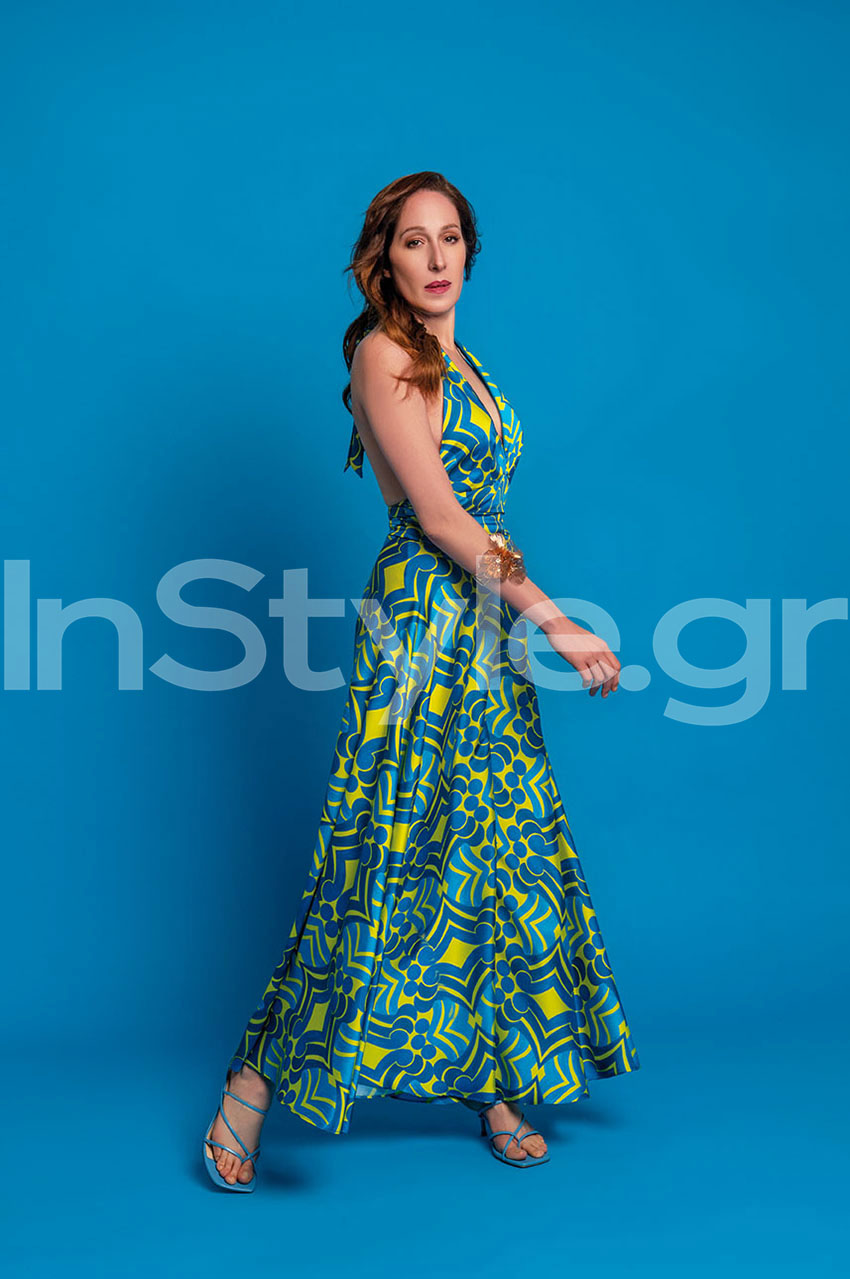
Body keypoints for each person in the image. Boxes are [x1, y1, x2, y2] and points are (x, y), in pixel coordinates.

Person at [202, 170, 640, 1190]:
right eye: (414, 240)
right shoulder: (382, 351)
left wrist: (515, 616)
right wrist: (557, 619)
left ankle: (491, 1079)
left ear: (469, 251)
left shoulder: (463, 360)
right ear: (384, 259)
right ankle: (251, 1084)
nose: (437, 259)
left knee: (492, 848)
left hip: (483, 623)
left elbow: (480, 518)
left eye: (451, 238)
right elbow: (441, 518)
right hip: (421, 624)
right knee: (385, 853)